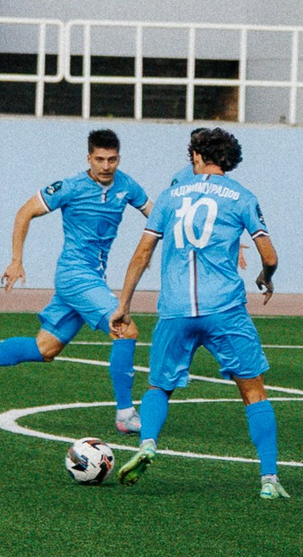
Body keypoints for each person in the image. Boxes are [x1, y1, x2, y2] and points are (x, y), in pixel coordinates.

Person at [108, 126, 287, 498]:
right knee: (254, 391)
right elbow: (269, 257)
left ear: (197, 155)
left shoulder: (169, 197)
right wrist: (266, 277)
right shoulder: (242, 197)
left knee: (159, 386)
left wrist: (123, 305)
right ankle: (269, 479)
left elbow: (142, 254)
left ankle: (148, 443)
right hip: (224, 309)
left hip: (175, 310)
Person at [0, 127, 150, 432]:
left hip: (91, 278)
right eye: (100, 159)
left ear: (119, 159)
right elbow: (25, 212)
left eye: (112, 160)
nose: (106, 166)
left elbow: (157, 218)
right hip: (75, 276)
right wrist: (16, 260)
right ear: (89, 158)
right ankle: (125, 414)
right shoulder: (70, 187)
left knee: (44, 349)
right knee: (125, 330)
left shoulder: (127, 186)